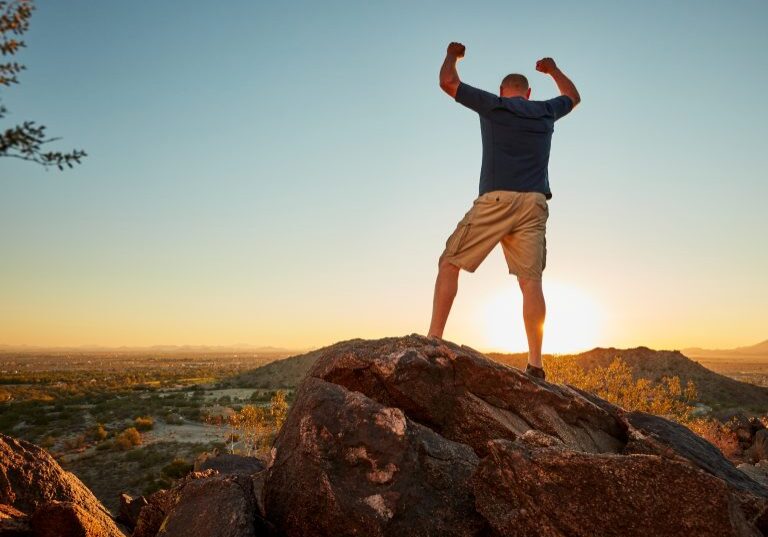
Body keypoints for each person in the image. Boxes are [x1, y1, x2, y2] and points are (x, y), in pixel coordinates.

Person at [427, 42, 581, 381]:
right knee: (531, 283)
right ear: (527, 93)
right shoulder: (544, 111)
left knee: (449, 262)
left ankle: (433, 342)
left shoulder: (493, 105)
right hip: (534, 204)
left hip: (497, 199)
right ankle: (536, 364)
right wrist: (553, 70)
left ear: (502, 91)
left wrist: (453, 55)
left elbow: (447, 82)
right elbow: (573, 96)